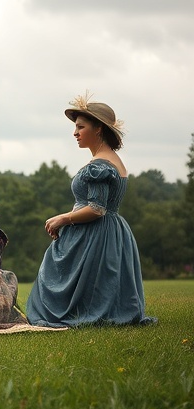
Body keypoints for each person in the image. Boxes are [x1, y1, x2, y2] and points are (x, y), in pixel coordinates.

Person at [25, 93, 156, 327]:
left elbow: (97, 208)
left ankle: (75, 316)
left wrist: (63, 218)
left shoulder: (100, 165)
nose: (75, 133)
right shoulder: (110, 160)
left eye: (80, 127)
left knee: (57, 274)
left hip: (97, 232)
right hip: (110, 232)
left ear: (98, 129)